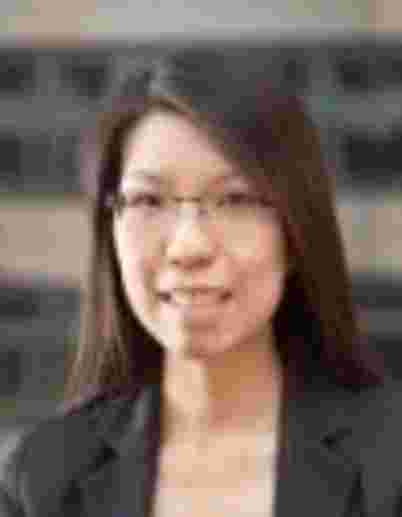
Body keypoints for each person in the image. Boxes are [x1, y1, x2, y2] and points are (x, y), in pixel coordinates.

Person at [1, 48, 401, 517]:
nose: (188, 246)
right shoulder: (44, 479)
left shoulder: (388, 467)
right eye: (149, 201)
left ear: (295, 233)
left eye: (235, 200)